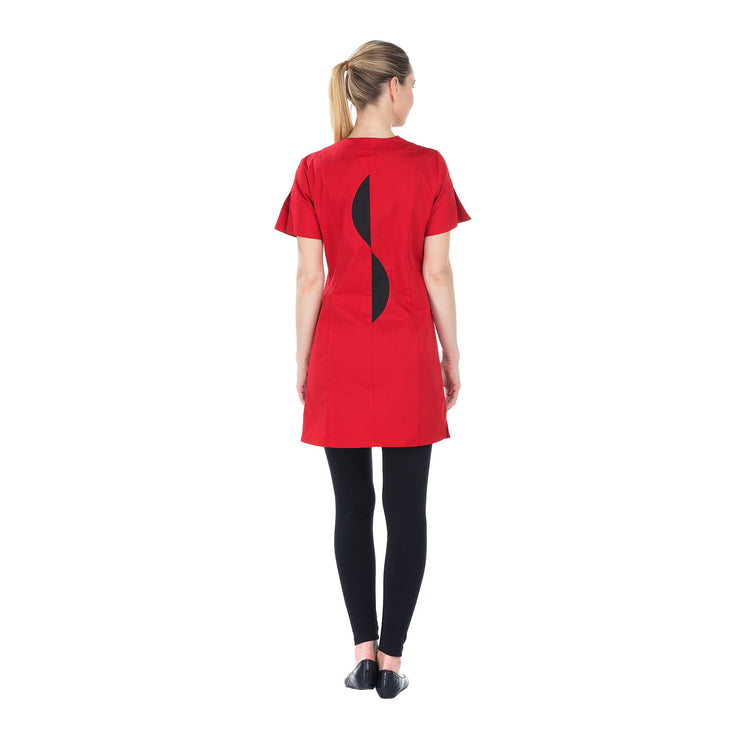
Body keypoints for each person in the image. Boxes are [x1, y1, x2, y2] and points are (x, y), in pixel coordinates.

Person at [274, 40, 471, 698]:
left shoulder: (314, 168)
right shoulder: (429, 166)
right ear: (392, 87)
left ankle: (362, 654)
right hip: (407, 354)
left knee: (352, 506)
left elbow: (309, 278)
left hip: (339, 354)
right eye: (413, 85)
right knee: (407, 509)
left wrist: (302, 358)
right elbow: (437, 272)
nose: (414, 97)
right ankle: (391, 664)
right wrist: (452, 352)